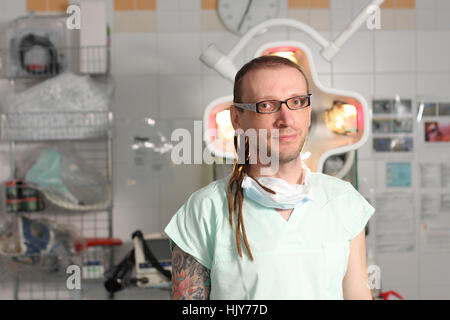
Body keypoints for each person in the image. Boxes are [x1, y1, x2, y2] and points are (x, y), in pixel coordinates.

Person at [164, 55, 375, 300]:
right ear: (236, 118)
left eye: (296, 102)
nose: (286, 119)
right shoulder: (205, 210)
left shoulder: (343, 201)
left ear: (307, 111)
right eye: (266, 105)